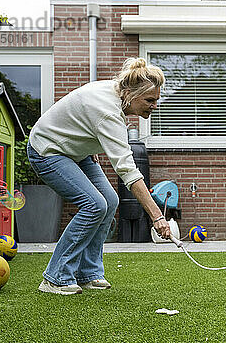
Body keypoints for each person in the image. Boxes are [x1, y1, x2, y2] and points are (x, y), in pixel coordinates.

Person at [27, 58, 171, 295]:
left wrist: (89, 148)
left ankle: (88, 273)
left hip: (76, 151)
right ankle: (56, 277)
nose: (155, 105)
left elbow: (82, 121)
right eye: (149, 100)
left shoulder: (117, 95)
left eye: (156, 99)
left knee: (110, 201)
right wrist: (157, 217)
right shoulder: (108, 111)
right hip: (47, 150)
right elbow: (128, 171)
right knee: (94, 205)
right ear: (131, 94)